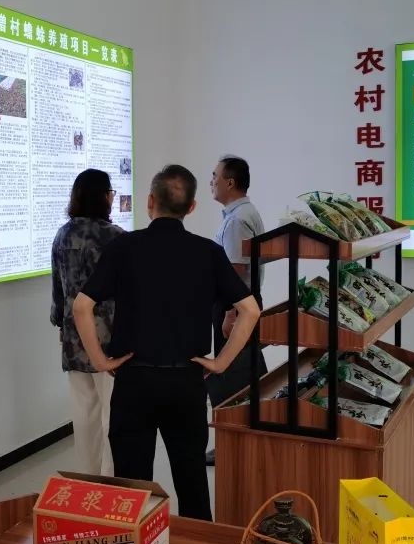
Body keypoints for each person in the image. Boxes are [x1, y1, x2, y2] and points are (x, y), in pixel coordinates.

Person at [73, 164, 260, 520]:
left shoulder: (123, 247)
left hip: (133, 380)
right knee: (193, 484)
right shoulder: (207, 252)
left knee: (132, 492)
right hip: (186, 382)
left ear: (149, 202)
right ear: (191, 207)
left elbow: (82, 306)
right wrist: (220, 363)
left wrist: (99, 360)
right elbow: (249, 310)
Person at [50, 169, 124, 476]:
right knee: (113, 414)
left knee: (83, 415)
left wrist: (60, 324)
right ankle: (111, 480)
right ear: (104, 196)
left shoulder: (62, 235)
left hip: (74, 338)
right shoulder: (116, 236)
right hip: (111, 339)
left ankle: (87, 479)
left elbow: (59, 290)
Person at [205, 155, 267, 466]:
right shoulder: (242, 214)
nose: (211, 182)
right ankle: (243, 441)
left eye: (215, 176)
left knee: (232, 377)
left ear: (230, 183)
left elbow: (236, 273)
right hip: (242, 304)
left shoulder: (237, 220)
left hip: (236, 307)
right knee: (244, 373)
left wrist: (231, 313)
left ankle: (234, 445)